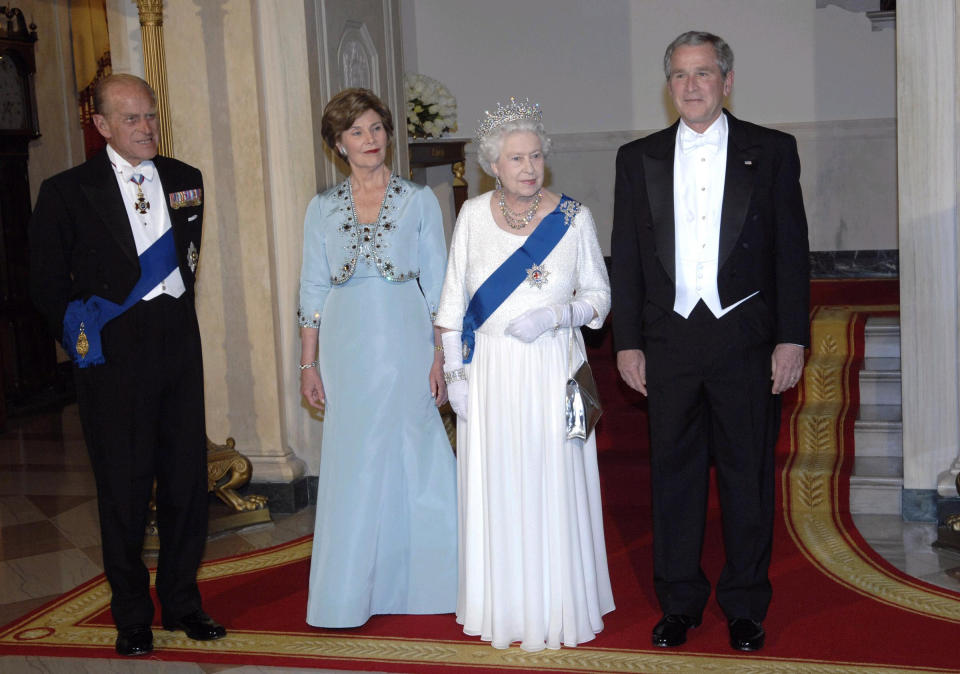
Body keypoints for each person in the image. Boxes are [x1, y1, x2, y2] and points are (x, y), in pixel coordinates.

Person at [611, 31, 810, 653]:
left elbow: (791, 253)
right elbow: (630, 258)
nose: (691, 85)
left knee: (747, 478)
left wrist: (791, 338)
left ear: (726, 80)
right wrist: (627, 341)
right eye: (679, 75)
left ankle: (746, 605)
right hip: (668, 339)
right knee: (673, 478)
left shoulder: (772, 150)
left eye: (702, 74)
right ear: (667, 86)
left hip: (745, 338)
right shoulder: (635, 156)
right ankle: (679, 603)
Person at [28, 74, 224, 656]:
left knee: (187, 480)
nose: (145, 128)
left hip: (177, 348)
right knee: (124, 489)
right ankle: (132, 616)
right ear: (103, 125)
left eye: (150, 115)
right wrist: (83, 337)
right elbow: (45, 284)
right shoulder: (66, 192)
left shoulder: (186, 180)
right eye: (131, 119)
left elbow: (185, 266)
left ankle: (185, 604)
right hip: (113, 357)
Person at [435, 98, 615, 651]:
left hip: (552, 368)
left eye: (536, 155)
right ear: (495, 164)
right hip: (491, 372)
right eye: (516, 158)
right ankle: (506, 610)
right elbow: (451, 304)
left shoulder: (573, 218)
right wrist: (455, 373)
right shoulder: (471, 217)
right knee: (501, 485)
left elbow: (600, 297)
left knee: (553, 482)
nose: (529, 167)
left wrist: (558, 315)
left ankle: (559, 607)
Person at [298, 88, 457, 628]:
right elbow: (312, 290)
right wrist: (308, 364)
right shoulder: (320, 208)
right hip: (346, 345)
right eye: (357, 132)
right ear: (338, 144)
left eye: (376, 129)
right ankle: (350, 592)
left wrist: (441, 357)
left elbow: (439, 286)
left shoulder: (419, 201)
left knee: (417, 452)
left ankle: (432, 582)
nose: (370, 140)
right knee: (355, 460)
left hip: (407, 339)